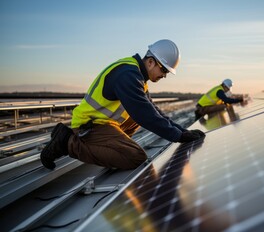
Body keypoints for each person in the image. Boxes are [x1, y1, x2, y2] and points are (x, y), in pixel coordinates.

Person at [41, 39, 206, 170]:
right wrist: (177, 137)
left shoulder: (137, 76)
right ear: (150, 62)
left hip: (103, 124)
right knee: (135, 157)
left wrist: (184, 132)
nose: (164, 76)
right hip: (89, 125)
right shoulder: (128, 75)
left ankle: (112, 149)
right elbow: (145, 115)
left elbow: (155, 112)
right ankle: (67, 142)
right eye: (164, 70)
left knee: (143, 115)